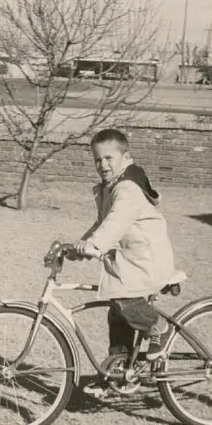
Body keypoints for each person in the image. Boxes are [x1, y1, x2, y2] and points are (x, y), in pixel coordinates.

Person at [74, 128, 177, 396]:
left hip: (147, 259)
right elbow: (102, 223)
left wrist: (94, 245)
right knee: (116, 309)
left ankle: (160, 328)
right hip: (130, 258)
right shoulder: (112, 186)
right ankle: (118, 370)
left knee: (123, 299)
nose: (102, 165)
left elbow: (117, 221)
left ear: (125, 157)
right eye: (97, 159)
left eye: (109, 158)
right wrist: (78, 246)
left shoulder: (128, 187)